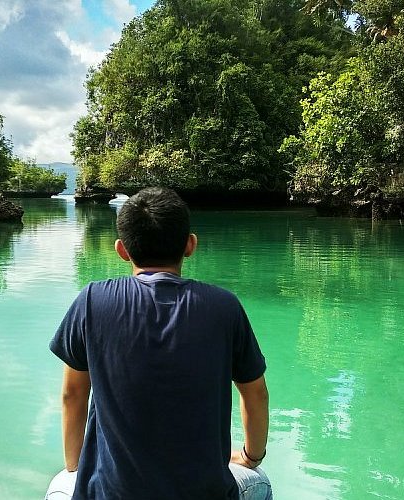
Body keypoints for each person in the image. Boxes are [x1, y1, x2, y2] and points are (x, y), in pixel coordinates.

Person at [47, 186, 272, 499]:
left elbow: (73, 395)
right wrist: (251, 457)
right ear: (190, 245)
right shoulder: (224, 306)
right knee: (259, 481)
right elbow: (256, 394)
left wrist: (77, 469)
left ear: (122, 250)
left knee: (61, 484)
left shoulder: (91, 302)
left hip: (110, 494)